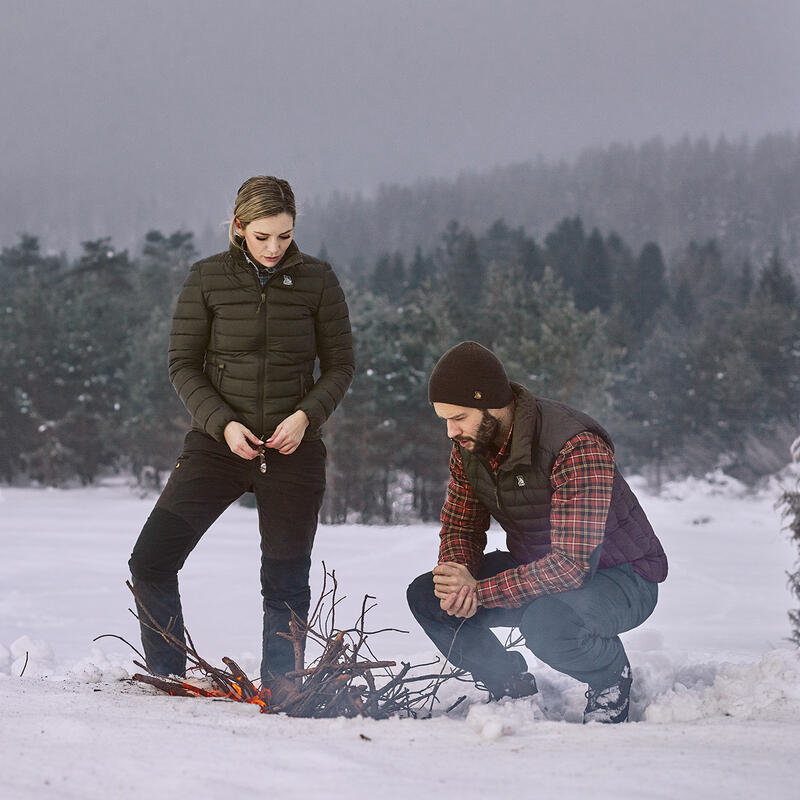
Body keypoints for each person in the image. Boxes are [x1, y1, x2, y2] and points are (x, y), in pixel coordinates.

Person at [128, 176, 354, 690]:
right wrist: (223, 424)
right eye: (262, 236)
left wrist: (305, 418)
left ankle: (282, 689)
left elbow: (340, 366)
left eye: (285, 235)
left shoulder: (318, 280)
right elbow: (182, 366)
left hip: (292, 451)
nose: (275, 248)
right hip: (216, 447)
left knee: (286, 583)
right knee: (152, 560)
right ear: (238, 227)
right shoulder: (206, 278)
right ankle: (169, 677)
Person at [406, 341, 667, 723]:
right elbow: (462, 523)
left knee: (547, 625)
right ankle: (509, 684)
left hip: (622, 577)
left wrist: (479, 591)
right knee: (430, 597)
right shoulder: (470, 444)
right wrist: (457, 575)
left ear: (492, 404)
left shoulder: (575, 445)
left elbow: (571, 566)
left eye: (458, 417)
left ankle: (610, 677)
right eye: (444, 419)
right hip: (540, 568)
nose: (450, 431)